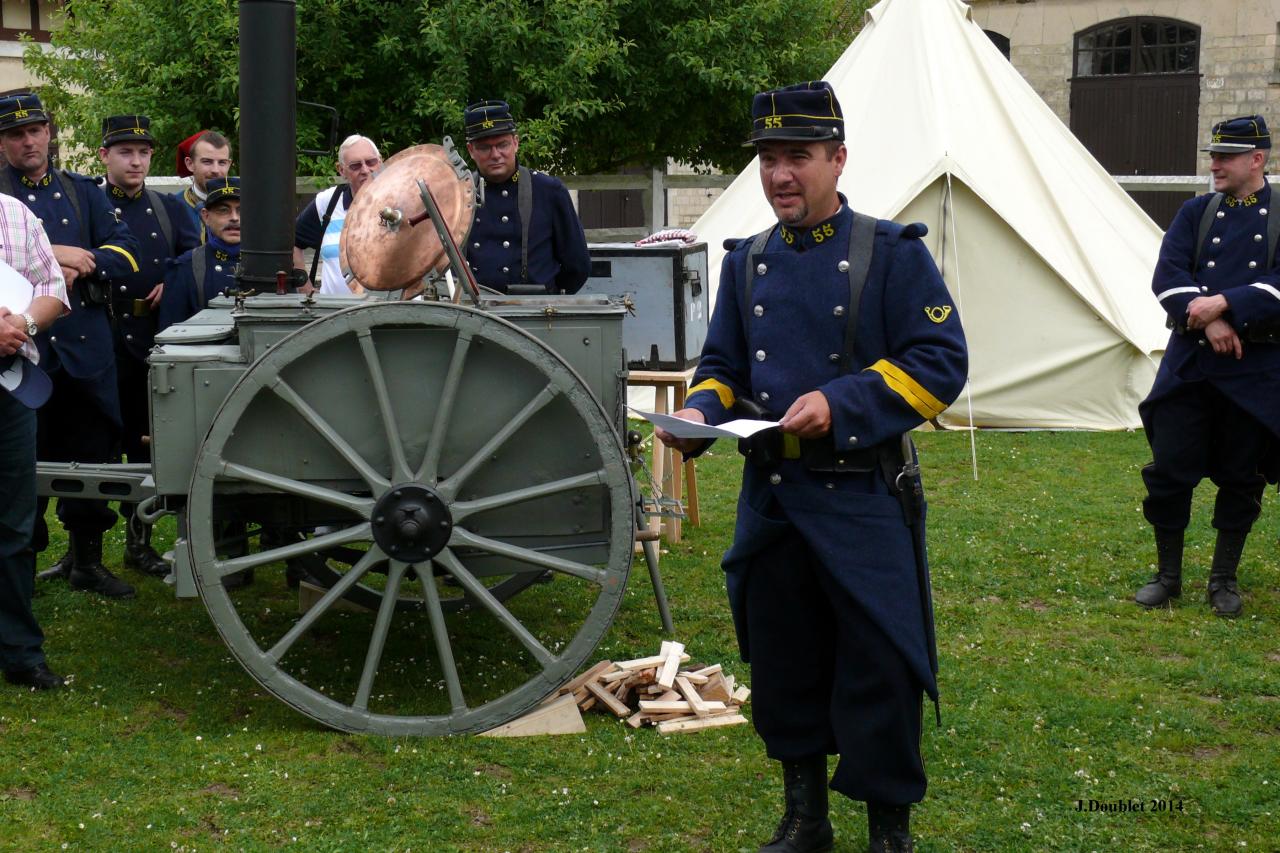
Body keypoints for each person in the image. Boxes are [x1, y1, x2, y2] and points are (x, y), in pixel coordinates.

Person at [655, 82, 968, 853]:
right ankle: (805, 818)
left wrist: (844, 401)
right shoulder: (748, 261)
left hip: (863, 495)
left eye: (798, 156)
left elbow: (940, 361)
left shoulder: (891, 253)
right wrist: (699, 413)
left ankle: (888, 830)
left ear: (838, 158)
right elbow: (723, 365)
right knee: (786, 661)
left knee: (881, 668)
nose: (780, 175)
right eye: (768, 158)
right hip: (775, 498)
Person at [1134, 115, 1280, 618]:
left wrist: (1228, 305)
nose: (1214, 164)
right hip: (1191, 364)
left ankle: (1223, 579)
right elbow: (1168, 275)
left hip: (1255, 370)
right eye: (1214, 155)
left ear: (1257, 160)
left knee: (1243, 476)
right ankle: (1167, 576)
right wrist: (1209, 320)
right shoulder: (1195, 212)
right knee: (1170, 468)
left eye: (1226, 156)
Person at [0, 91, 141, 600]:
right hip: (19, 350)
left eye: (35, 130)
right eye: (16, 134)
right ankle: (23, 563)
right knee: (20, 463)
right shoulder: (1, 200)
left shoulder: (83, 192)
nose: (29, 141)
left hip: (85, 345)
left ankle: (87, 561)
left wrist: (85, 262)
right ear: (3, 143)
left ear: (48, 133)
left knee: (94, 455)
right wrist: (52, 255)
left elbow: (127, 251)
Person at [98, 114, 199, 577]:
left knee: (147, 444)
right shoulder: (89, 204)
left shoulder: (169, 208)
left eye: (142, 152)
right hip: (100, 342)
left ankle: (139, 543)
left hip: (151, 343)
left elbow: (194, 255)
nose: (135, 161)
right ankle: (82, 551)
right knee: (95, 444)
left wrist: (170, 276)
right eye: (125, 152)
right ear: (105, 156)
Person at [1, 193, 71, 690]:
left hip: (7, 387)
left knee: (14, 524)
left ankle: (20, 651)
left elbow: (53, 289)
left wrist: (21, 324)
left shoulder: (15, 213)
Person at [462, 99, 589, 294]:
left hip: (535, 313)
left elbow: (577, 266)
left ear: (515, 143)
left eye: (502, 145)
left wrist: (550, 298)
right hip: (477, 311)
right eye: (485, 148)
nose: (495, 155)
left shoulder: (549, 191)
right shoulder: (459, 195)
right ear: (471, 151)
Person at [293, 134, 382, 294]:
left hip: (395, 310)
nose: (365, 170)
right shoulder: (327, 203)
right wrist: (306, 290)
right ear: (341, 170)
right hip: (336, 313)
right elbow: (291, 241)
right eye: (355, 165)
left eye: (371, 162)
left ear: (380, 162)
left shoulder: (402, 197)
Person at [158, 177, 240, 331]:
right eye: (224, 210)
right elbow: (169, 338)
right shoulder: (185, 268)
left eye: (242, 210)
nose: (234, 218)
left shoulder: (268, 266)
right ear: (206, 216)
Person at [177, 130, 232, 241]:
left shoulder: (245, 208)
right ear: (190, 164)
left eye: (222, 163)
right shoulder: (173, 207)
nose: (215, 170)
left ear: (229, 164)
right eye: (207, 162)